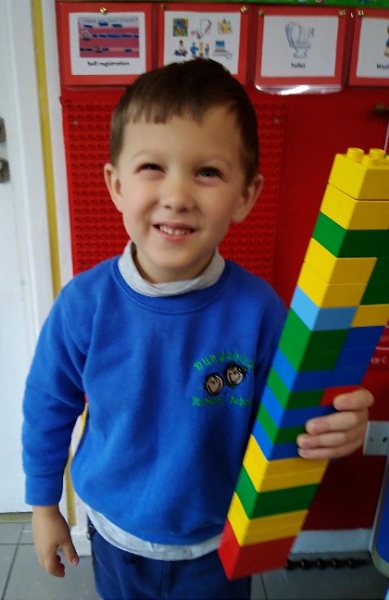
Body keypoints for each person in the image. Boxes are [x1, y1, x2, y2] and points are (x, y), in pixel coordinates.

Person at [22, 58, 373, 600]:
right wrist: (44, 506)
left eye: (207, 172)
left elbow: (291, 417)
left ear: (245, 195)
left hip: (217, 542)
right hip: (115, 535)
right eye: (152, 167)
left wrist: (335, 425)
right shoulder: (83, 306)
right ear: (116, 185)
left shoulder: (260, 312)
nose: (178, 194)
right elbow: (48, 407)